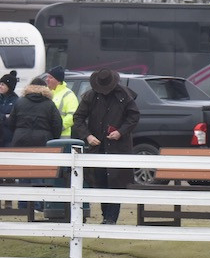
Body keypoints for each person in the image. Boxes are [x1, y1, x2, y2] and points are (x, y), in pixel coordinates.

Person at [72, 69, 140, 225]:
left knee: (116, 182)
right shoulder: (90, 96)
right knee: (100, 181)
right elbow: (78, 118)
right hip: (98, 147)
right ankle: (105, 216)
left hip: (119, 147)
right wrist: (88, 136)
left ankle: (111, 218)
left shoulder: (124, 95)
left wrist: (121, 132)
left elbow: (134, 116)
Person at [8, 77, 62, 146]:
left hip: (20, 139)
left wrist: (18, 132)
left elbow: (10, 122)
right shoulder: (50, 104)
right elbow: (57, 124)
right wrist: (52, 137)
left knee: (21, 157)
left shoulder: (20, 102)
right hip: (43, 140)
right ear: (45, 89)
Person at [45, 65, 78, 137]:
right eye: (47, 77)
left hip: (62, 137)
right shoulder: (45, 93)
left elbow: (73, 116)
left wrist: (58, 127)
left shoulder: (68, 95)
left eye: (50, 77)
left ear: (58, 81)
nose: (47, 79)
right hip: (46, 135)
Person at [0, 70, 19, 147]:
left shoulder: (16, 101)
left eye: (3, 84)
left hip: (8, 137)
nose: (0, 86)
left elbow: (13, 118)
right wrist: (4, 117)